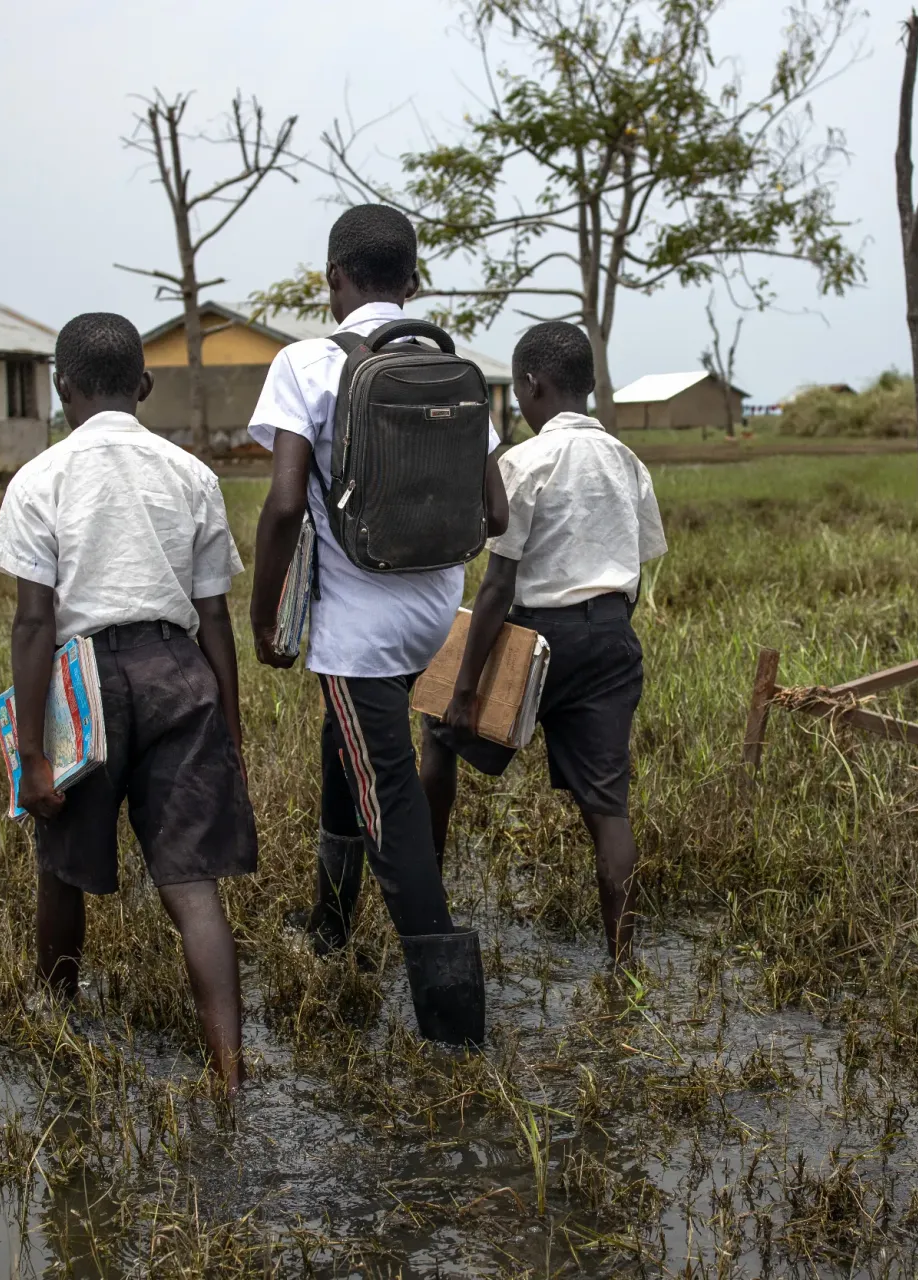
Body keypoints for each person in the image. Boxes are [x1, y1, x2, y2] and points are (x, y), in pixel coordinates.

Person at [247, 204, 508, 1048]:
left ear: (334, 279)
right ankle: (328, 925)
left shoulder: (306, 363)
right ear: (413, 282)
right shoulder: (450, 369)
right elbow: (496, 511)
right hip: (436, 611)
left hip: (359, 628)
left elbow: (284, 503)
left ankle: (453, 1021)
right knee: (347, 746)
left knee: (388, 800)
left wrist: (264, 613)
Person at [0, 313, 257, 1091]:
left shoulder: (40, 478)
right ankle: (229, 1073)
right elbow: (214, 617)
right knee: (192, 887)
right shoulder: (191, 475)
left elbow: (34, 622)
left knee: (60, 870)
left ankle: (57, 1027)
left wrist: (31, 753)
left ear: (61, 387)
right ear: (144, 384)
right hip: (180, 674)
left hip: (84, 686)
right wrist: (230, 732)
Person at [420, 321, 666, 966]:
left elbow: (498, 583)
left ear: (531, 385)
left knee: (439, 733)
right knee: (608, 809)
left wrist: (465, 690)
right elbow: (638, 561)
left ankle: (428, 904)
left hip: (536, 635)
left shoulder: (523, 462)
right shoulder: (626, 460)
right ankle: (623, 963)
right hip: (612, 638)